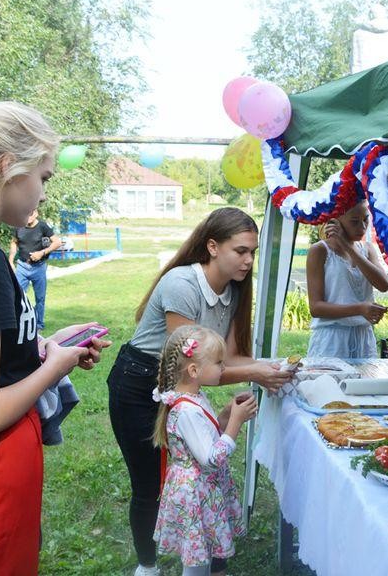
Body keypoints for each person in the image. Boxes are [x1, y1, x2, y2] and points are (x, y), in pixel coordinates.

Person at [0, 102, 110, 575]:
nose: (44, 195)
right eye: (45, 178)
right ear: (8, 167)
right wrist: (54, 368)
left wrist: (40, 346)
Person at [107, 206, 293, 576]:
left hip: (185, 385)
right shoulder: (182, 284)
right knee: (149, 486)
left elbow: (232, 356)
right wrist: (255, 372)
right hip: (139, 382)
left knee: (206, 479)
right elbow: (191, 370)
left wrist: (268, 367)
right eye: (241, 251)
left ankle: (208, 562)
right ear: (212, 246)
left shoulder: (234, 291)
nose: (248, 260)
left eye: (253, 252)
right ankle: (148, 567)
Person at [152, 325, 257, 576]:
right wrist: (236, 423)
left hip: (203, 490)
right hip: (195, 492)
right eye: (219, 362)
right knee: (196, 559)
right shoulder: (186, 410)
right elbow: (211, 459)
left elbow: (206, 436)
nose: (223, 368)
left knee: (203, 551)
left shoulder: (195, 397)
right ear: (194, 370)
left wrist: (224, 416)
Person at [306, 200, 388, 359]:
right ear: (334, 222)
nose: (362, 227)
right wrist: (360, 309)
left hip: (364, 338)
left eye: (365, 219)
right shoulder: (319, 251)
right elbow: (316, 308)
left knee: (364, 383)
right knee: (331, 383)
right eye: (354, 222)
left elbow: (383, 285)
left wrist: (349, 248)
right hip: (331, 340)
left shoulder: (367, 249)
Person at [9, 208, 61, 331]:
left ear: (36, 213)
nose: (29, 216)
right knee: (17, 296)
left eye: (31, 213)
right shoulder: (19, 226)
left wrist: (42, 253)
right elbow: (14, 243)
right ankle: (17, 322)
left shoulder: (43, 227)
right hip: (22, 266)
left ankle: (38, 324)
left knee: (40, 298)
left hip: (39, 267)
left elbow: (57, 242)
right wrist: (11, 260)